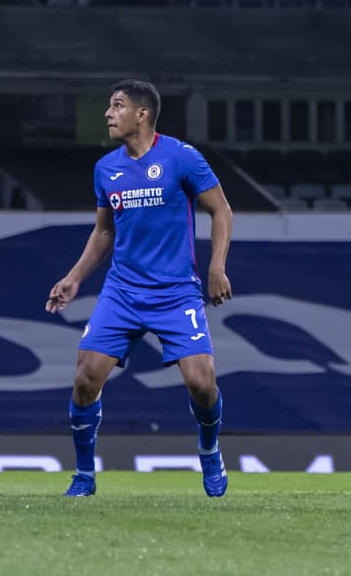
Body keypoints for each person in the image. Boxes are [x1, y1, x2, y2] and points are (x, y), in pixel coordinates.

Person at [46, 79, 234, 498]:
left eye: (117, 106)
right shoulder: (106, 168)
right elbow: (103, 231)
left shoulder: (182, 157)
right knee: (84, 379)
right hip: (122, 292)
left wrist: (216, 267)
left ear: (142, 114)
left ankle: (209, 450)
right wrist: (75, 277)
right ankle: (83, 475)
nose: (108, 114)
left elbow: (220, 209)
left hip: (176, 293)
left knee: (202, 383)